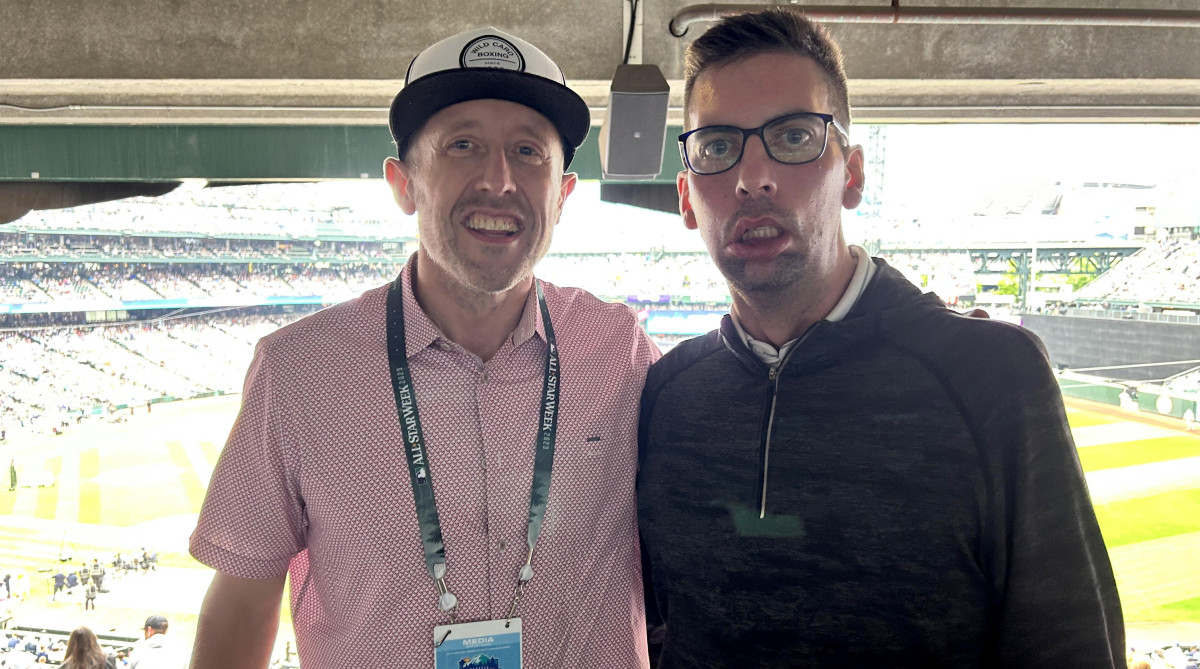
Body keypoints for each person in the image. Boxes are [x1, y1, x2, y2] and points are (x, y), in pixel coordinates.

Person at [636, 9, 1124, 668]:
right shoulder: (668, 395)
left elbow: (1072, 645)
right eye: (717, 147)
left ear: (853, 174)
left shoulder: (992, 376)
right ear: (686, 197)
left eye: (794, 136)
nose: (753, 178)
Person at [188, 26, 658, 669]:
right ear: (403, 183)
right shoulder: (297, 371)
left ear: (563, 195)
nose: (499, 180)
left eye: (528, 152)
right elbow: (243, 602)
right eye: (463, 145)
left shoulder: (623, 353)